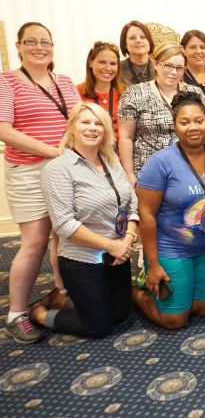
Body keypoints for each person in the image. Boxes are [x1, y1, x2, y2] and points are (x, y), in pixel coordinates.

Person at [0, 22, 82, 343]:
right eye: (31, 41)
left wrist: (66, 151)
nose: (39, 47)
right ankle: (16, 314)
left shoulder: (64, 81)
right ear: (19, 46)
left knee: (64, 236)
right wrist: (51, 150)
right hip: (29, 172)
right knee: (34, 241)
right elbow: (4, 130)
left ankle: (63, 292)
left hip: (66, 168)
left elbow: (78, 120)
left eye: (45, 42)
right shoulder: (7, 82)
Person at [34, 103, 138, 337]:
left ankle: (73, 300)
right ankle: (40, 313)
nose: (93, 128)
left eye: (98, 123)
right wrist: (111, 245)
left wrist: (128, 237)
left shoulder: (112, 161)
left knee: (121, 315)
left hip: (117, 256)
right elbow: (64, 224)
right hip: (82, 259)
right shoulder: (57, 169)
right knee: (99, 327)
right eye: (86, 122)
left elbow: (132, 204)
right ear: (71, 127)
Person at [131, 91, 205, 329]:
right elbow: (147, 215)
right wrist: (153, 265)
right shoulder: (160, 162)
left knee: (204, 308)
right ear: (175, 125)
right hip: (171, 249)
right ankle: (135, 292)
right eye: (184, 122)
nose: (193, 127)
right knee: (174, 320)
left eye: (198, 120)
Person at [118, 42, 205, 187]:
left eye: (179, 68)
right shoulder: (134, 93)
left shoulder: (195, 93)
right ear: (155, 64)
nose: (174, 72)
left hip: (188, 169)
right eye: (168, 66)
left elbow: (204, 132)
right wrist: (129, 174)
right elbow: (126, 137)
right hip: (148, 170)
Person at [77, 41, 125, 140]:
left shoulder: (127, 93)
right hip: (90, 146)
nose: (108, 68)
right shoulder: (75, 92)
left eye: (113, 63)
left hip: (119, 148)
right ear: (90, 62)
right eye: (102, 62)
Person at [180, 29, 205, 97]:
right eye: (192, 47)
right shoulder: (178, 75)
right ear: (183, 50)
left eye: (203, 47)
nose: (198, 51)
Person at [119, 20, 156, 86]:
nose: (138, 40)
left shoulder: (160, 67)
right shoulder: (117, 69)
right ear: (125, 44)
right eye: (132, 38)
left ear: (149, 41)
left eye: (143, 37)